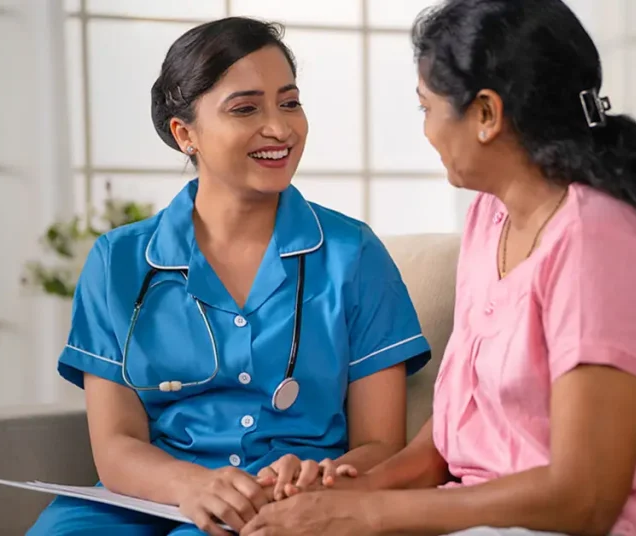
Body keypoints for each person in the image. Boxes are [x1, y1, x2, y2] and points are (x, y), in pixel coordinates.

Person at [240, 1, 636, 535]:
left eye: (428, 108)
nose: (426, 132)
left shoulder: (595, 240)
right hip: (483, 517)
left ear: (486, 114)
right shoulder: (491, 218)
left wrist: (372, 515)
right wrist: (342, 493)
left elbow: (585, 498)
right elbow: (447, 440)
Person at [27, 16, 431, 536]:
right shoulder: (118, 261)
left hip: (285, 499)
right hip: (144, 499)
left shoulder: (353, 255)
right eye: (245, 108)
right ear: (184, 133)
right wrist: (190, 485)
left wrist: (322, 479)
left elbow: (381, 444)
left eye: (289, 102)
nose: (280, 129)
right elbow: (116, 445)